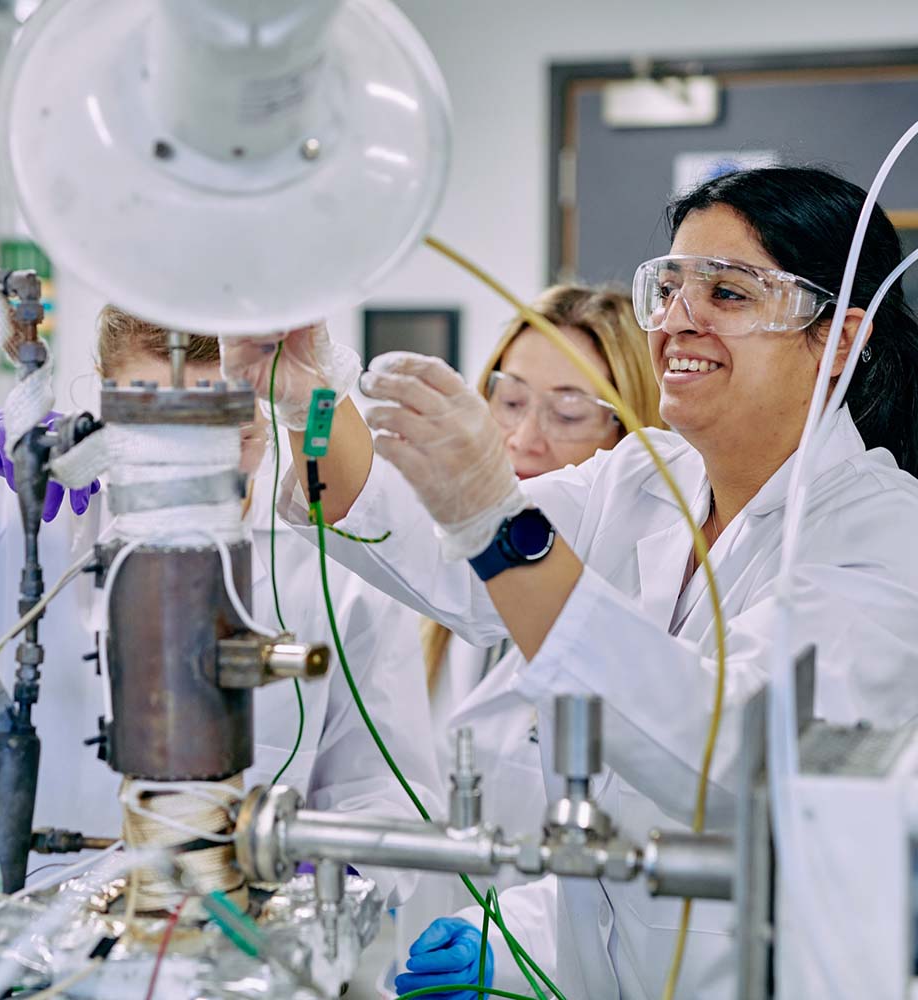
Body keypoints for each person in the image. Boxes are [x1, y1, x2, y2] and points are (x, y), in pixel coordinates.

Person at [227, 166, 918, 999]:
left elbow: (727, 754)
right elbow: (440, 551)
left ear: (841, 339)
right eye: (668, 287)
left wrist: (493, 519)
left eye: (728, 294)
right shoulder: (640, 477)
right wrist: (311, 406)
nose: (676, 321)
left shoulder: (887, 535)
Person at [0, 306, 442, 976]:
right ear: (104, 400)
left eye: (221, 414)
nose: (189, 447)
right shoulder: (5, 511)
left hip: (227, 963)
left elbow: (386, 794)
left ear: (262, 413)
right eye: (154, 417)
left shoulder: (337, 574)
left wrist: (318, 877)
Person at [406, 285, 661, 935]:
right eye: (510, 400)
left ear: (628, 442)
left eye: (568, 413)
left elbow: (642, 859)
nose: (523, 439)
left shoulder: (648, 608)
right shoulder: (439, 594)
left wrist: (512, 941)